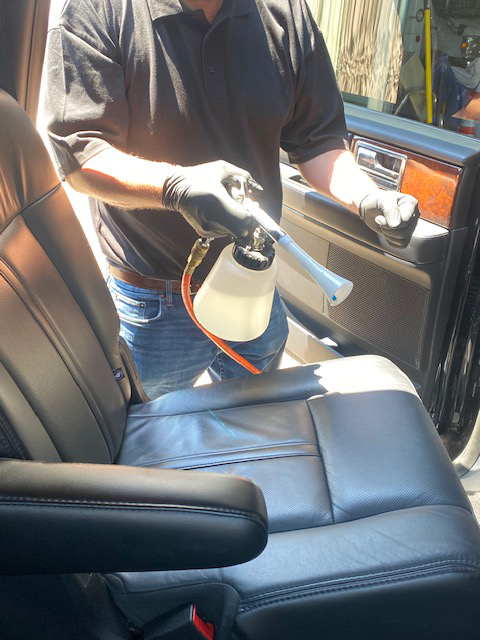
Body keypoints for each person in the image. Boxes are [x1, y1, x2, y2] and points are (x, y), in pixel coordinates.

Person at [44, 0, 419, 399]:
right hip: (154, 304)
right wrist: (175, 187)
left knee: (256, 421)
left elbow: (318, 140)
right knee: (144, 432)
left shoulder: (285, 14)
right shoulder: (100, 10)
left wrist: (365, 196)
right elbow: (81, 154)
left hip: (255, 285)